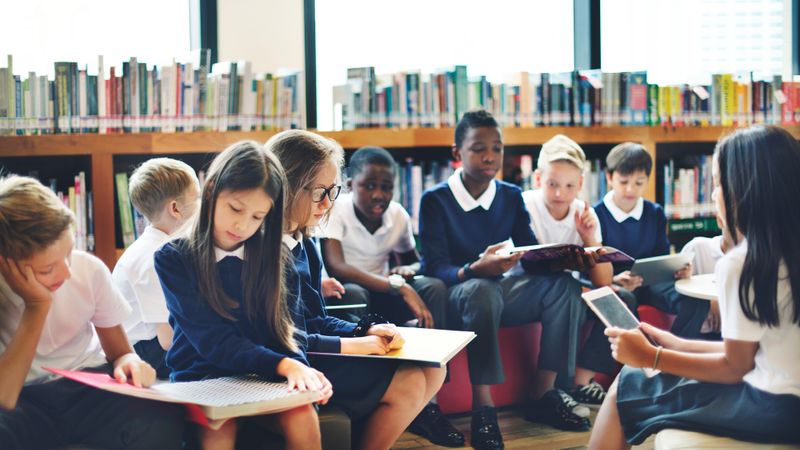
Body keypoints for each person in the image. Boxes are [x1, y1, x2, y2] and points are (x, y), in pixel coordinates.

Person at [588, 125, 800, 449]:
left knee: (625, 387)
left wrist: (652, 356)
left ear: (741, 190)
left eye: (716, 183)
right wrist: (674, 343)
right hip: (785, 397)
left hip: (771, 405)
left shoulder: (743, 262)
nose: (713, 195)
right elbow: (754, 353)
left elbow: (735, 366)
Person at [419, 110, 601, 449]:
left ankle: (543, 392)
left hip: (503, 291)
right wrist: (475, 268)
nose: (490, 156)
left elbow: (529, 257)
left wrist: (559, 260)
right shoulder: (435, 200)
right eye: (478, 148)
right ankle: (483, 407)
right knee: (483, 290)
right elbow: (433, 267)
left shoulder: (509, 195)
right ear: (458, 154)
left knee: (565, 286)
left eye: (497, 148)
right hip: (462, 291)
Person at [268, 129, 446, 450]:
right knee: (408, 383)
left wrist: (366, 329)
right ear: (286, 186)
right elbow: (287, 341)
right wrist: (357, 345)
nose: (327, 203)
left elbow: (317, 319)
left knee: (434, 370)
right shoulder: (268, 254)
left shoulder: (303, 242)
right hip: (289, 364)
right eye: (319, 192)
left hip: (312, 351)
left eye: (332, 191)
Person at [154, 141, 330, 450]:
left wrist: (301, 368)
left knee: (303, 416)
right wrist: (286, 366)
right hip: (202, 376)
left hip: (260, 373)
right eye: (235, 209)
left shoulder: (277, 256)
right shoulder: (173, 257)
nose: (242, 225)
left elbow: (288, 330)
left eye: (257, 217)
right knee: (220, 430)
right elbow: (214, 341)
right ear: (211, 193)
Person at [0, 175, 185, 449]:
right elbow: (4, 397)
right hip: (24, 395)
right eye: (47, 269)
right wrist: (36, 307)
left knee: (161, 422)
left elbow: (120, 352)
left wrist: (129, 364)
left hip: (87, 384)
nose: (66, 271)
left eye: (69, 252)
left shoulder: (88, 269)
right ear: (7, 265)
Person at [320, 145, 461, 446]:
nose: (378, 195)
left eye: (386, 188)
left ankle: (431, 401)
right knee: (354, 291)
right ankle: (372, 385)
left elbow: (413, 259)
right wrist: (397, 286)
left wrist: (406, 273)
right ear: (350, 185)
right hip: (352, 292)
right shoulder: (338, 209)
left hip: (385, 292)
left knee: (433, 285)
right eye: (368, 186)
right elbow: (337, 266)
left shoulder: (397, 215)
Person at [522, 134, 624, 408]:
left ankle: (582, 379)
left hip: (571, 288)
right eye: (552, 184)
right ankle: (554, 388)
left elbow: (604, 282)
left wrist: (590, 238)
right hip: (532, 289)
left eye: (569, 186)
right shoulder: (525, 205)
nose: (559, 194)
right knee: (567, 290)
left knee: (620, 299)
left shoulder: (584, 212)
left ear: (580, 184)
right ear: (538, 179)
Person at [594, 142, 706, 338]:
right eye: (623, 182)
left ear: (647, 180)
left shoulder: (654, 213)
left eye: (639, 183)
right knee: (624, 300)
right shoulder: (596, 215)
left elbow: (661, 258)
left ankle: (674, 353)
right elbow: (591, 266)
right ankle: (640, 357)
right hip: (618, 285)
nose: (630, 189)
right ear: (609, 177)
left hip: (651, 283)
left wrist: (677, 270)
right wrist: (613, 279)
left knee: (695, 300)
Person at [113, 157, 200, 378]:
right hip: (143, 350)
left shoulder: (166, 247)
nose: (203, 206)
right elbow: (168, 340)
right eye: (198, 197)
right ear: (175, 209)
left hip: (155, 343)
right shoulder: (154, 258)